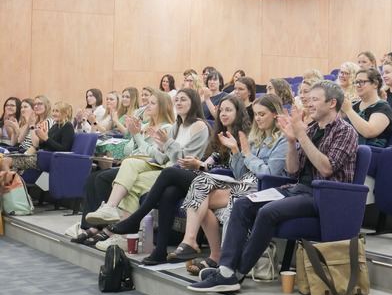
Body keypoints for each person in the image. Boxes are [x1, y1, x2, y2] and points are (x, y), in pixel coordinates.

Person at [187, 80, 358, 293]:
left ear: (332, 103)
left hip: (325, 195)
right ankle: (226, 269)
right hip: (297, 189)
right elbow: (293, 170)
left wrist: (301, 136)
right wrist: (289, 142)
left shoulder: (345, 132)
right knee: (243, 204)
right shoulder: (311, 129)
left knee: (267, 212)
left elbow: (326, 169)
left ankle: (234, 273)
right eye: (309, 99)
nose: (309, 103)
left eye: (315, 99)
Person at [108, 95, 254, 266]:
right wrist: (198, 164)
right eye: (221, 110)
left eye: (228, 110)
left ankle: (136, 219)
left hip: (227, 183)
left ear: (239, 112)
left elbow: (240, 173)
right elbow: (210, 162)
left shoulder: (245, 136)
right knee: (169, 193)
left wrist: (230, 152)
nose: (223, 114)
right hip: (210, 178)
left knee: (169, 173)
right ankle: (160, 250)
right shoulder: (218, 134)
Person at [168, 94, 287, 272]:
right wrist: (236, 151)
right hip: (245, 182)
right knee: (201, 188)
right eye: (256, 114)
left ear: (275, 114)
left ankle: (217, 257)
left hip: (265, 188)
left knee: (202, 196)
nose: (258, 118)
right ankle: (202, 247)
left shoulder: (282, 139)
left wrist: (247, 155)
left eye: (263, 114)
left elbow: (270, 173)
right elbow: (241, 173)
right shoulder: (256, 138)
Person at [84, 88, 210, 251]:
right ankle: (110, 210)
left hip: (181, 174)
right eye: (177, 99)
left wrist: (166, 144)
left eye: (183, 99)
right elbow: (159, 157)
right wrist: (157, 145)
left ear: (194, 102)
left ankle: (125, 231)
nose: (178, 102)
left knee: (126, 181)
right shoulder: (176, 127)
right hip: (165, 168)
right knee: (129, 165)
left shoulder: (199, 126)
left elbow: (185, 161)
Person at [70, 89, 175, 245]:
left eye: (153, 103)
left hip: (148, 166)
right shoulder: (147, 125)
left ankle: (103, 223)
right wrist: (135, 133)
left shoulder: (167, 128)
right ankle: (93, 225)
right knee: (92, 178)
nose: (148, 106)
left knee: (102, 179)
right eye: (148, 103)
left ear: (163, 106)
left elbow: (155, 156)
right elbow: (129, 150)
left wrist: (138, 136)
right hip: (134, 163)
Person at [0, 101, 74, 178]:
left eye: (57, 111)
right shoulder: (55, 125)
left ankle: (10, 186)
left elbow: (65, 149)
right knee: (5, 161)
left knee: (5, 161)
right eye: (53, 111)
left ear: (66, 113)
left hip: (47, 158)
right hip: (40, 155)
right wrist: (41, 139)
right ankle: (13, 187)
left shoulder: (68, 126)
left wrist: (46, 138)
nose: (54, 114)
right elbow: (44, 145)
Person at [342, 68, 392, 148]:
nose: (358, 85)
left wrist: (349, 111)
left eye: (361, 82)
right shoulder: (354, 105)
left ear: (375, 84)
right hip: (348, 149)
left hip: (370, 153)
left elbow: (369, 132)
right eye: (356, 82)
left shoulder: (383, 107)